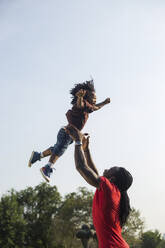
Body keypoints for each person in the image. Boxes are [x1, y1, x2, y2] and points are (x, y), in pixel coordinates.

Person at [28, 80, 110, 182]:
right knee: (60, 149)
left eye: (96, 98)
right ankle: (47, 167)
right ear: (86, 97)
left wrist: (105, 103)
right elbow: (79, 104)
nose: (95, 100)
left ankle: (38, 155)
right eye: (93, 98)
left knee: (56, 149)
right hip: (67, 132)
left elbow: (96, 107)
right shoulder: (81, 104)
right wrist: (80, 97)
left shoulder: (88, 107)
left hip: (70, 134)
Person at [66, 125, 133, 248]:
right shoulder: (112, 191)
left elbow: (81, 167)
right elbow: (94, 173)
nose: (106, 168)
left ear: (112, 179)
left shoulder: (110, 190)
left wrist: (77, 141)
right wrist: (86, 150)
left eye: (110, 169)